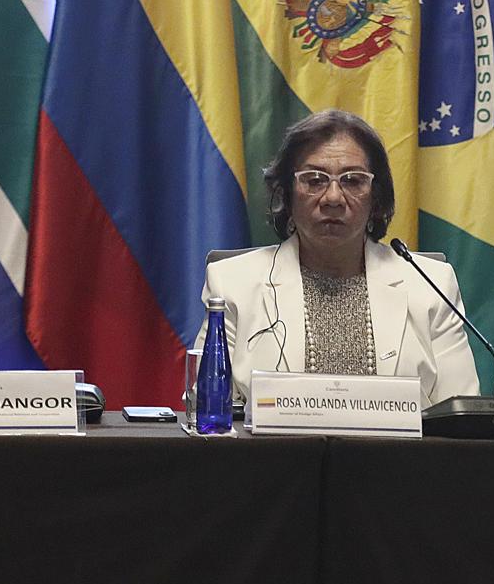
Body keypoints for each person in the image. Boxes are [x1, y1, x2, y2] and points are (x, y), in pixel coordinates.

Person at [201, 110, 479, 406]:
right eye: (314, 180)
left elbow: (459, 411)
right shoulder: (231, 284)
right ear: (287, 195)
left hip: (401, 454)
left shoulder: (431, 286)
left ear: (376, 199)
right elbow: (208, 410)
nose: (333, 197)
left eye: (352, 180)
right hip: (275, 453)